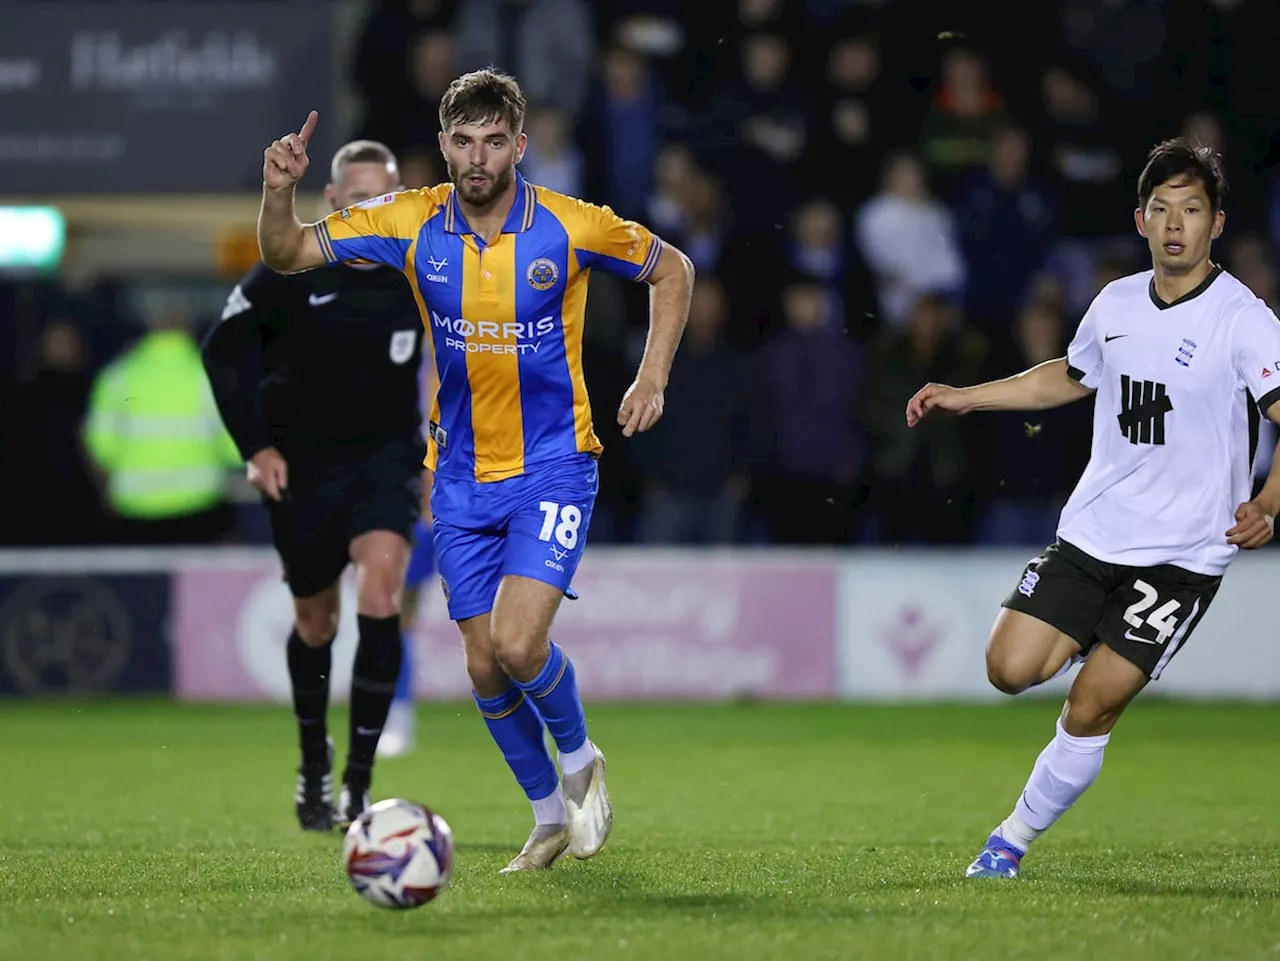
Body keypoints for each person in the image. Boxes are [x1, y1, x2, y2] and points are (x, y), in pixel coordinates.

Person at [255, 69, 695, 871]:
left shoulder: (569, 225)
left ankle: (580, 763)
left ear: (520, 146)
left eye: (495, 140)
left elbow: (674, 269)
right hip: (458, 477)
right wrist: (277, 191)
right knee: (482, 662)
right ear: (443, 145)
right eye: (463, 140)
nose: (478, 156)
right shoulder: (409, 220)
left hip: (555, 465)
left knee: (520, 644)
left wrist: (652, 373)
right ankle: (546, 818)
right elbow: (286, 252)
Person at [906, 138, 1280, 878]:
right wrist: (967, 395)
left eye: (1193, 210)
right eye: (1163, 209)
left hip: (1182, 556)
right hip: (1095, 533)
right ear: (1141, 220)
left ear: (1216, 223)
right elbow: (1069, 377)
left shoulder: (1244, 318)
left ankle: (1007, 840)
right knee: (1006, 669)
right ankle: (1086, 633)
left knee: (1089, 707)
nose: (1177, 224)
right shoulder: (1112, 302)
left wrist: (1269, 500)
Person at [202, 139, 429, 832]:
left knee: (384, 587)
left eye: (383, 200)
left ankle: (359, 783)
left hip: (386, 458)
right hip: (302, 465)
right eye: (358, 199)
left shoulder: (422, 271)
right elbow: (222, 350)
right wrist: (256, 446)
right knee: (315, 621)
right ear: (333, 202)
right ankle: (313, 761)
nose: (371, 210)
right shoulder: (292, 267)